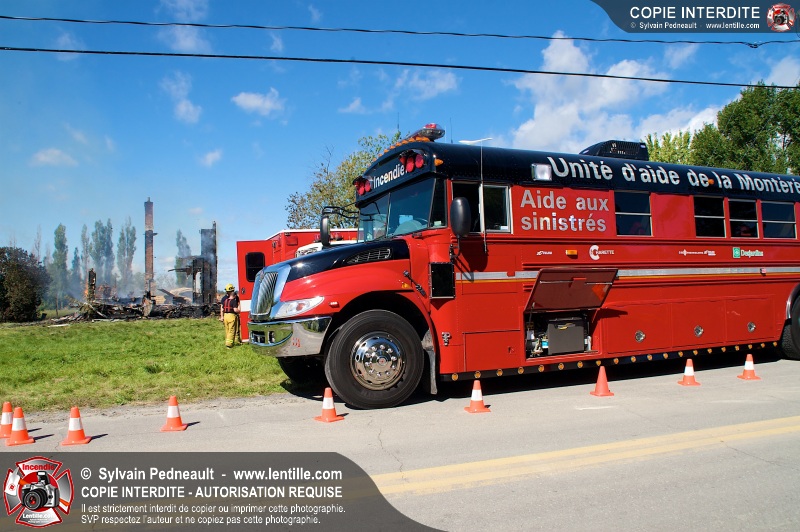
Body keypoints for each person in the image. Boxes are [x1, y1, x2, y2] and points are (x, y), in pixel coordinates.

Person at [219, 283, 241, 348]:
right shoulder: (233, 299)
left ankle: (235, 341)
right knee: (232, 330)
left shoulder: (225, 299)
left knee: (229, 330)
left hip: (226, 316)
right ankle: (229, 344)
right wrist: (239, 310)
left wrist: (222, 316)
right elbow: (236, 309)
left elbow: (222, 308)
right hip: (232, 316)